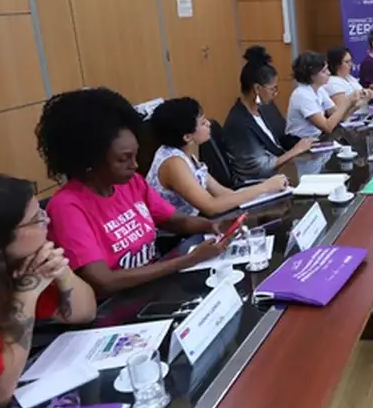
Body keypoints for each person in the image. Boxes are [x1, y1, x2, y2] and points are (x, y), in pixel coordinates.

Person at [37, 88, 236, 296]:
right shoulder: (66, 207)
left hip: (155, 289)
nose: (134, 165)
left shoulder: (131, 182)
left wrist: (212, 226)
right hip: (118, 305)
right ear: (90, 159)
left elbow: (176, 220)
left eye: (135, 155)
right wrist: (189, 260)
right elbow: (103, 281)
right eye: (123, 159)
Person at [0, 175, 98, 408]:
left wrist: (61, 271)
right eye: (37, 219)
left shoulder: (17, 264)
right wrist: (27, 293)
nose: (47, 221)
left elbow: (84, 313)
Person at [146, 97, 289, 217]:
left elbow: (223, 193)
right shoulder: (173, 163)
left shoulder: (187, 154)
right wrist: (264, 187)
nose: (209, 124)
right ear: (187, 137)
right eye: (203, 122)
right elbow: (210, 206)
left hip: (194, 224)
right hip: (177, 236)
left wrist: (268, 190)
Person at [223, 46, 318, 183]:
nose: (275, 93)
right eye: (273, 88)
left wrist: (307, 143)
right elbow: (260, 169)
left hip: (280, 174)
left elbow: (282, 137)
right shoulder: (239, 124)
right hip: (258, 185)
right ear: (257, 89)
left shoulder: (264, 108)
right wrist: (295, 151)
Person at [287, 51, 353, 139]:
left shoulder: (319, 89)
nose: (329, 73)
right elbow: (327, 127)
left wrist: (354, 102)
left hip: (317, 137)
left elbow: (338, 116)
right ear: (311, 74)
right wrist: (346, 102)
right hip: (300, 141)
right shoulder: (302, 95)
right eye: (324, 71)